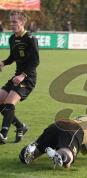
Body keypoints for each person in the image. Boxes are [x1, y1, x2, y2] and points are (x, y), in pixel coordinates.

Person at [19, 101, 87, 168]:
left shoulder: (80, 117)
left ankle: (27, 153)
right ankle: (60, 155)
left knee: (40, 148)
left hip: (57, 125)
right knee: (68, 155)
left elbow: (82, 149)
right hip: (73, 130)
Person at [0, 11, 39, 144]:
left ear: (22, 22)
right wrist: (4, 63)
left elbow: (35, 61)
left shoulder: (30, 38)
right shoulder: (12, 39)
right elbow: (13, 57)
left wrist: (23, 75)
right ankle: (20, 126)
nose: (12, 24)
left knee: (9, 103)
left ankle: (3, 134)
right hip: (17, 76)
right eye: (11, 22)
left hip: (28, 78)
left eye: (14, 22)